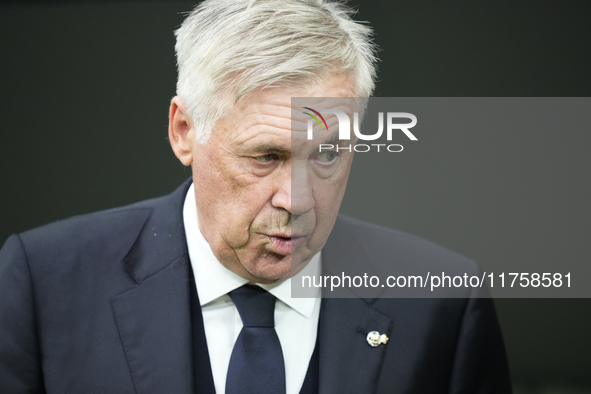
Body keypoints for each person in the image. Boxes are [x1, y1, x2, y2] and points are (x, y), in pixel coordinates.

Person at [0, 0, 511, 393]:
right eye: (266, 157)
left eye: (329, 155)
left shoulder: (441, 301)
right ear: (183, 131)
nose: (298, 200)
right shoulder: (43, 282)